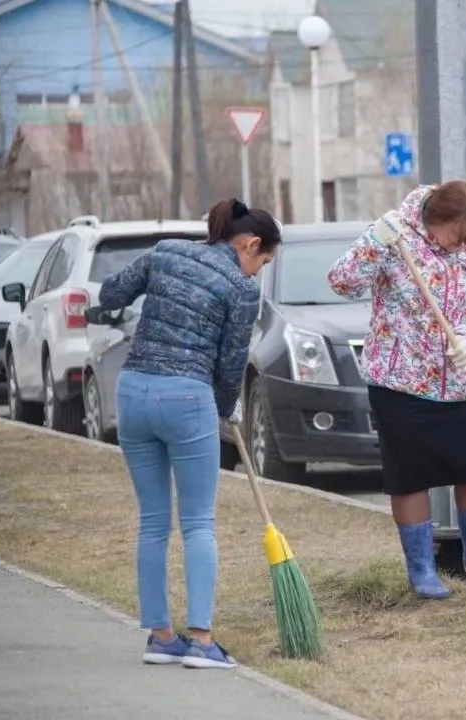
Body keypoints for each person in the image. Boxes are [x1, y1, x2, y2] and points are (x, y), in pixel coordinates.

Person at [87, 198, 281, 668]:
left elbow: (111, 294)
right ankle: (201, 640)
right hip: (185, 395)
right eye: (263, 261)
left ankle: (160, 636)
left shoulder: (165, 251)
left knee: (153, 522)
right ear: (250, 244)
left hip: (132, 392)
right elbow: (231, 360)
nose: (258, 272)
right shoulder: (240, 288)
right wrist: (225, 405)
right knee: (197, 523)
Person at [327, 180, 466, 600]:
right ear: (435, 220)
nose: (460, 247)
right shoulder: (395, 236)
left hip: (457, 378)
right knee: (410, 477)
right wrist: (373, 243)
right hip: (401, 380)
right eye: (454, 237)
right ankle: (421, 568)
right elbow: (342, 282)